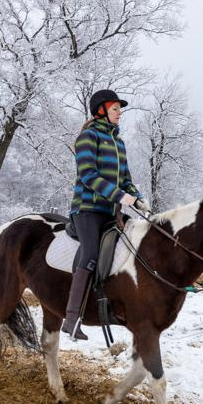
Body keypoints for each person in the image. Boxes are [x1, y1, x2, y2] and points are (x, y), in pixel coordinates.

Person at [62, 88, 149, 341]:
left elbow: (126, 180)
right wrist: (120, 196)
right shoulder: (87, 137)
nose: (120, 112)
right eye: (115, 108)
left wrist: (138, 198)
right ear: (101, 110)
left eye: (120, 109)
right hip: (88, 209)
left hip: (112, 212)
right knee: (90, 254)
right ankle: (71, 318)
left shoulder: (119, 143)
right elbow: (88, 176)